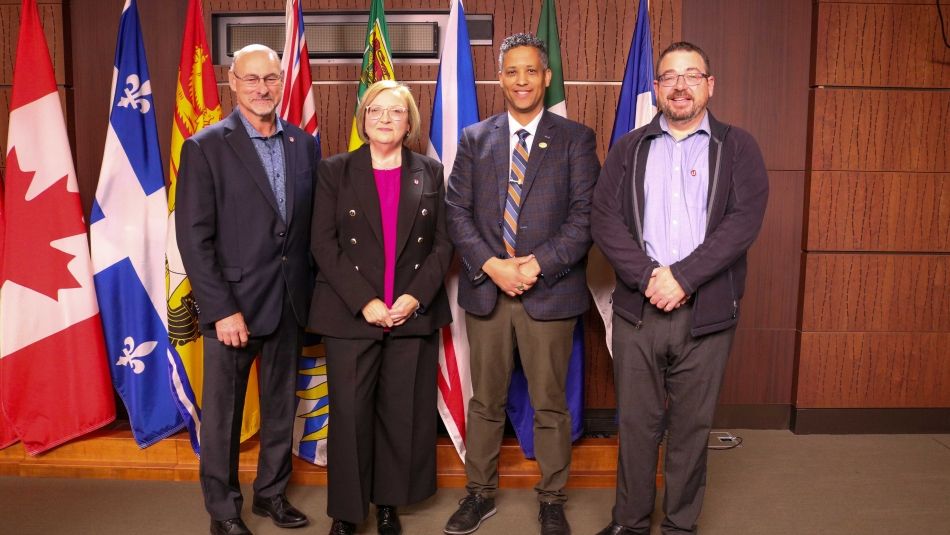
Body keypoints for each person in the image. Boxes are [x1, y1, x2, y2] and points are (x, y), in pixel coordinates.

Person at [590, 41, 769, 535]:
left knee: (690, 429)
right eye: (670, 76)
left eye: (692, 75)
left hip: (706, 313)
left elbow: (742, 223)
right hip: (639, 309)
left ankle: (679, 526)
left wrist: (684, 278)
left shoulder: (738, 147)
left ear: (709, 86)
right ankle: (629, 520)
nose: (681, 85)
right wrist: (651, 277)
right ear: (657, 88)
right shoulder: (629, 148)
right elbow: (604, 220)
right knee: (637, 426)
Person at [443, 33, 600, 535]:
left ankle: (552, 499)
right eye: (512, 71)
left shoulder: (576, 139)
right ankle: (479, 494)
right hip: (488, 291)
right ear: (500, 77)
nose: (522, 80)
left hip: (549, 293)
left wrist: (532, 267)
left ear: (546, 76)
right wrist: (493, 266)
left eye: (531, 71)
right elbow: (456, 212)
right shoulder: (475, 138)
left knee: (550, 402)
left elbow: (584, 218)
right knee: (485, 401)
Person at [176, 44, 317, 535]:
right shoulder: (205, 146)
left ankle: (271, 496)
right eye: (252, 79)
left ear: (282, 82)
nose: (263, 88)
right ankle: (223, 510)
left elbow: (306, 230)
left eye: (271, 79)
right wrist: (221, 310)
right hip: (232, 308)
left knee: (282, 408)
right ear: (232, 83)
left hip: (289, 302)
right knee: (222, 420)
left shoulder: (305, 144)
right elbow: (193, 238)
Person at [309, 80, 453, 535]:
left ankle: (389, 502)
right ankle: (348, 513)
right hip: (351, 313)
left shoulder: (429, 171)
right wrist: (365, 301)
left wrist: (416, 297)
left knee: (402, 412)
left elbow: (443, 244)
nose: (385, 119)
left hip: (412, 313)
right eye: (376, 111)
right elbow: (322, 244)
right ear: (363, 120)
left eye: (395, 111)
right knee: (350, 417)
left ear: (409, 122)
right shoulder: (335, 170)